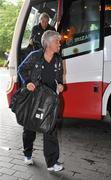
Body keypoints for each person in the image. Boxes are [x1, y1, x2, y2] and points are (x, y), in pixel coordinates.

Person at [18, 30, 64, 172]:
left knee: (50, 129)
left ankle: (52, 163)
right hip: (35, 97)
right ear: (48, 43)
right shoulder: (35, 56)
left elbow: (60, 76)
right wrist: (27, 82)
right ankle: (27, 153)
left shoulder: (58, 59)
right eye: (57, 41)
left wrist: (60, 84)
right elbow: (22, 69)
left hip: (49, 100)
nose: (59, 44)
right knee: (30, 127)